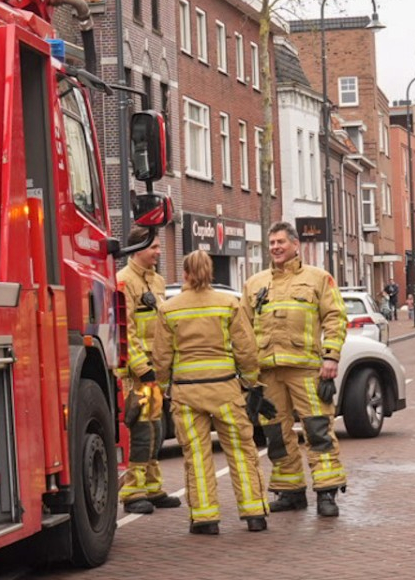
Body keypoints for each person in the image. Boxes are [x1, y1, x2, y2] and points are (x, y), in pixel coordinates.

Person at [155, 250, 268, 535]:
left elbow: (162, 357)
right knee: (241, 452)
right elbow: (246, 349)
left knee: (196, 455)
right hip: (225, 389)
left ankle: (205, 519)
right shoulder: (228, 304)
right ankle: (254, 514)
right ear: (210, 272)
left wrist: (164, 386)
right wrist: (250, 382)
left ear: (185, 274)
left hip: (187, 394)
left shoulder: (169, 309)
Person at [244, 222, 348, 517]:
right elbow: (242, 328)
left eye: (281, 242)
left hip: (307, 370)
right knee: (276, 434)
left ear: (295, 244)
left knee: (318, 430)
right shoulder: (255, 283)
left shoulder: (318, 278)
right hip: (268, 373)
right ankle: (290, 491)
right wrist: (247, 373)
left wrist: (331, 357)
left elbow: (335, 318)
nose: (275, 247)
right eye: (272, 243)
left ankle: (327, 493)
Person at [115, 231, 180, 515]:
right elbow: (125, 331)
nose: (158, 252)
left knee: (155, 429)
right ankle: (133, 492)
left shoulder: (157, 281)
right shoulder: (123, 281)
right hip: (136, 376)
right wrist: (143, 369)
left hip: (153, 373)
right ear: (138, 247)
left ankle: (153, 488)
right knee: (141, 431)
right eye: (154, 247)